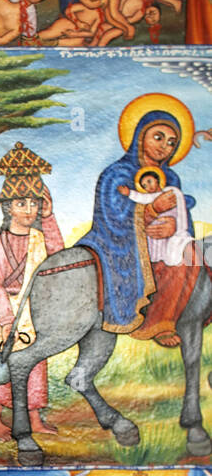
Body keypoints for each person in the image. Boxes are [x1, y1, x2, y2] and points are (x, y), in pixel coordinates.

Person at [81, 95, 195, 339]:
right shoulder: (116, 174)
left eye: (172, 143)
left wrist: (174, 227)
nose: (165, 146)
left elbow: (182, 214)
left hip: (160, 243)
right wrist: (152, 211)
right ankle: (139, 320)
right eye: (158, 137)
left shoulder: (171, 179)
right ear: (140, 135)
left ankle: (161, 321)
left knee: (188, 254)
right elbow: (109, 218)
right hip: (117, 241)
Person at [0, 142, 64, 440]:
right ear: (7, 207)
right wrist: (5, 320)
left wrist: (50, 218)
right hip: (8, 312)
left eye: (34, 203)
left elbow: (58, 257)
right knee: (2, 362)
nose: (29, 210)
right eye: (21, 203)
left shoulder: (40, 237)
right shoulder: (0, 243)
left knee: (36, 363)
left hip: (34, 311)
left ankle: (34, 417)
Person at [118, 164, 193, 265]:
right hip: (156, 229)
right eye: (145, 186)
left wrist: (178, 227)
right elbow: (142, 198)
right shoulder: (151, 197)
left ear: (157, 180)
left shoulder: (171, 191)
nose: (148, 187)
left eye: (149, 181)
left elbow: (183, 207)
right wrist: (129, 193)